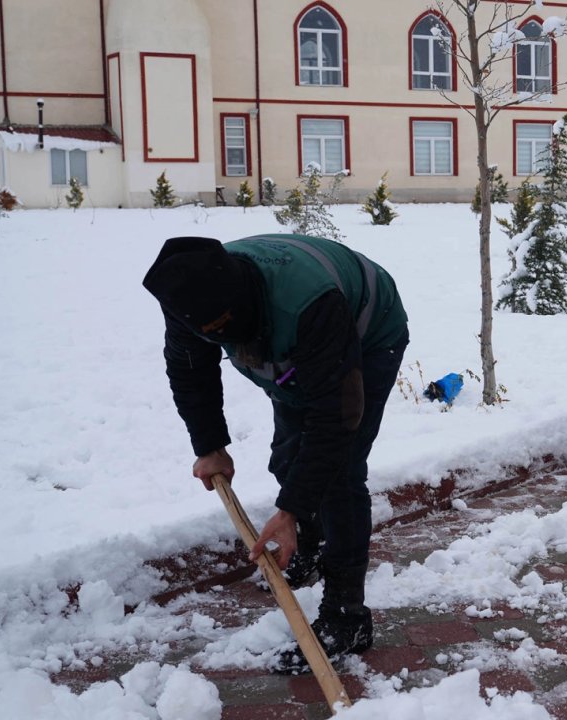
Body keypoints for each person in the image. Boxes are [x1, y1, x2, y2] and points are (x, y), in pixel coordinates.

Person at [142, 233, 408, 673]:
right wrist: (209, 446)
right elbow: (190, 371)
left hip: (369, 330)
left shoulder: (308, 305)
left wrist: (290, 508)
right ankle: (307, 545)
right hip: (294, 339)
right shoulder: (187, 295)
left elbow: (335, 419)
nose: (219, 340)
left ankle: (346, 619)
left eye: (227, 331)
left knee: (340, 474)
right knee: (288, 456)